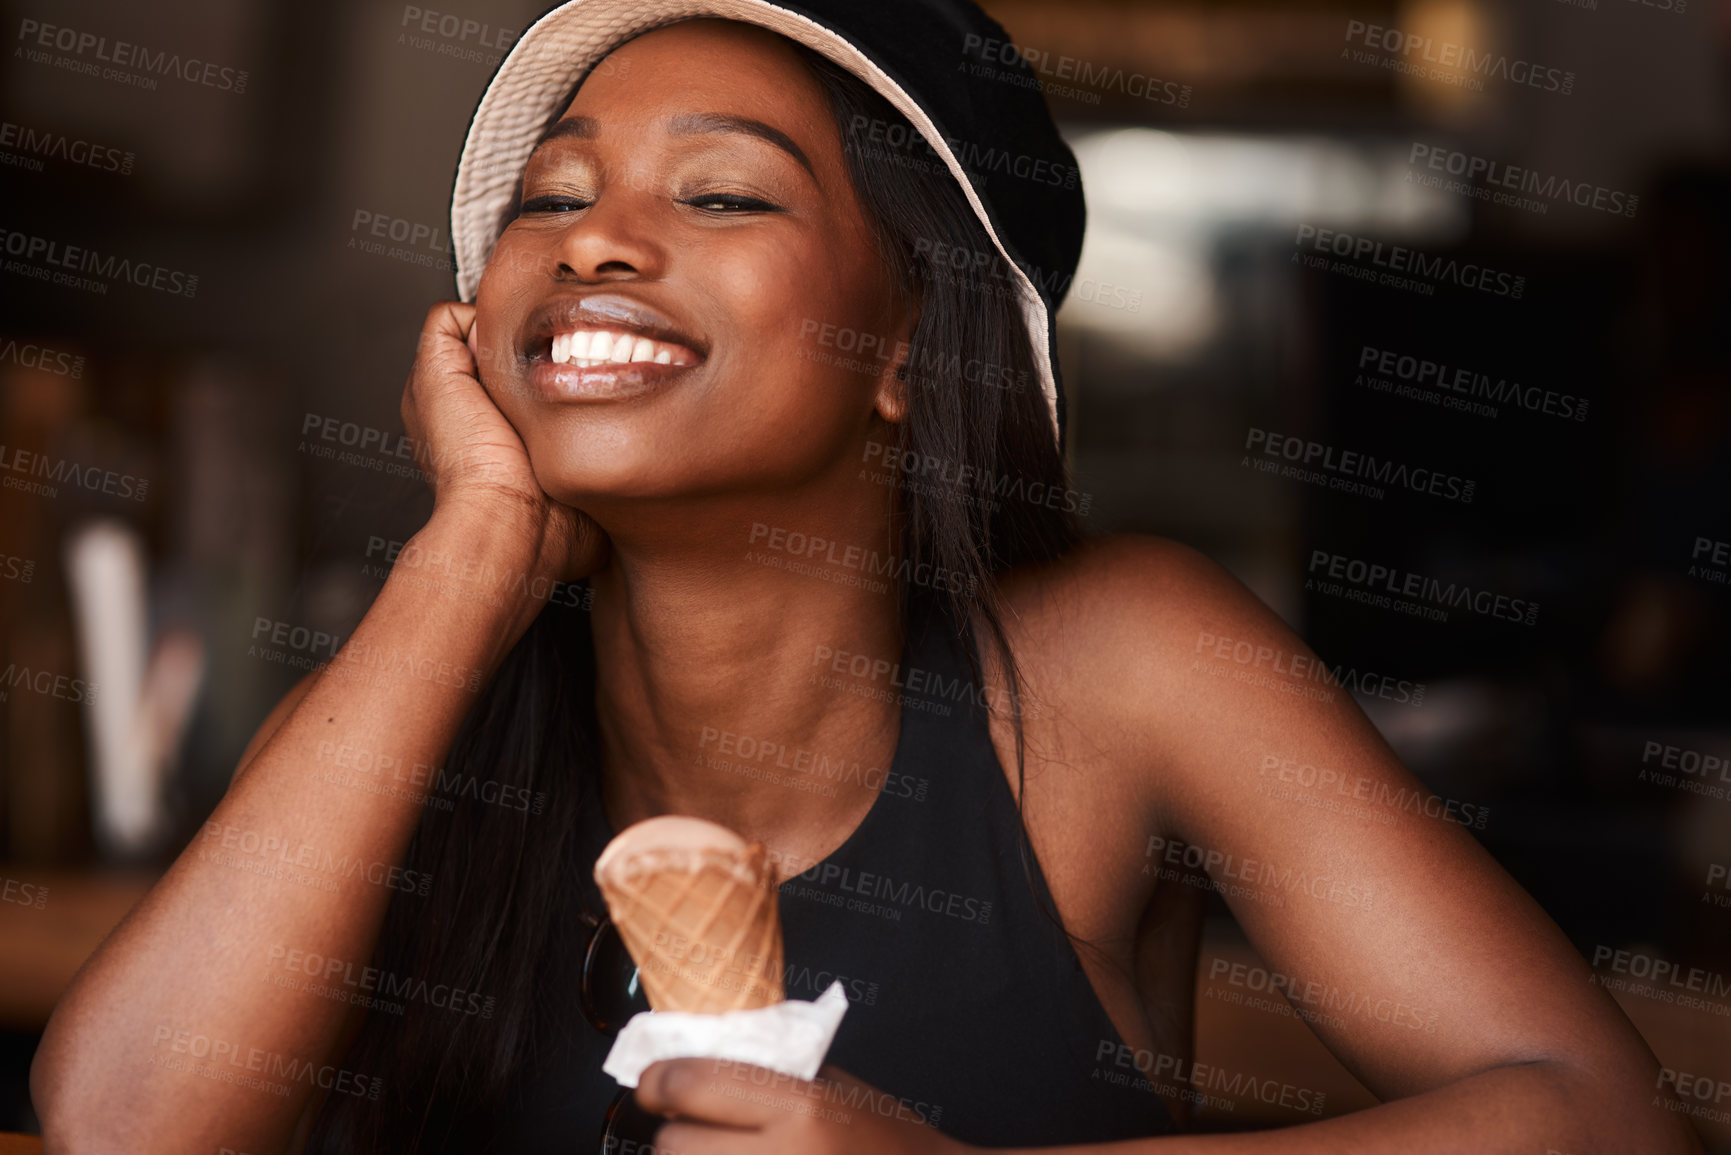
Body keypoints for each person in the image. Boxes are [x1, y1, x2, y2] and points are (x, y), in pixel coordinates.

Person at [30, 4, 1705, 1153]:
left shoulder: (1117, 671)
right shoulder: (415, 699)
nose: (596, 239)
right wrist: (470, 551)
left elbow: (1600, 1118)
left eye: (720, 189)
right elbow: (123, 1130)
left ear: (907, 340)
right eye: (552, 196)